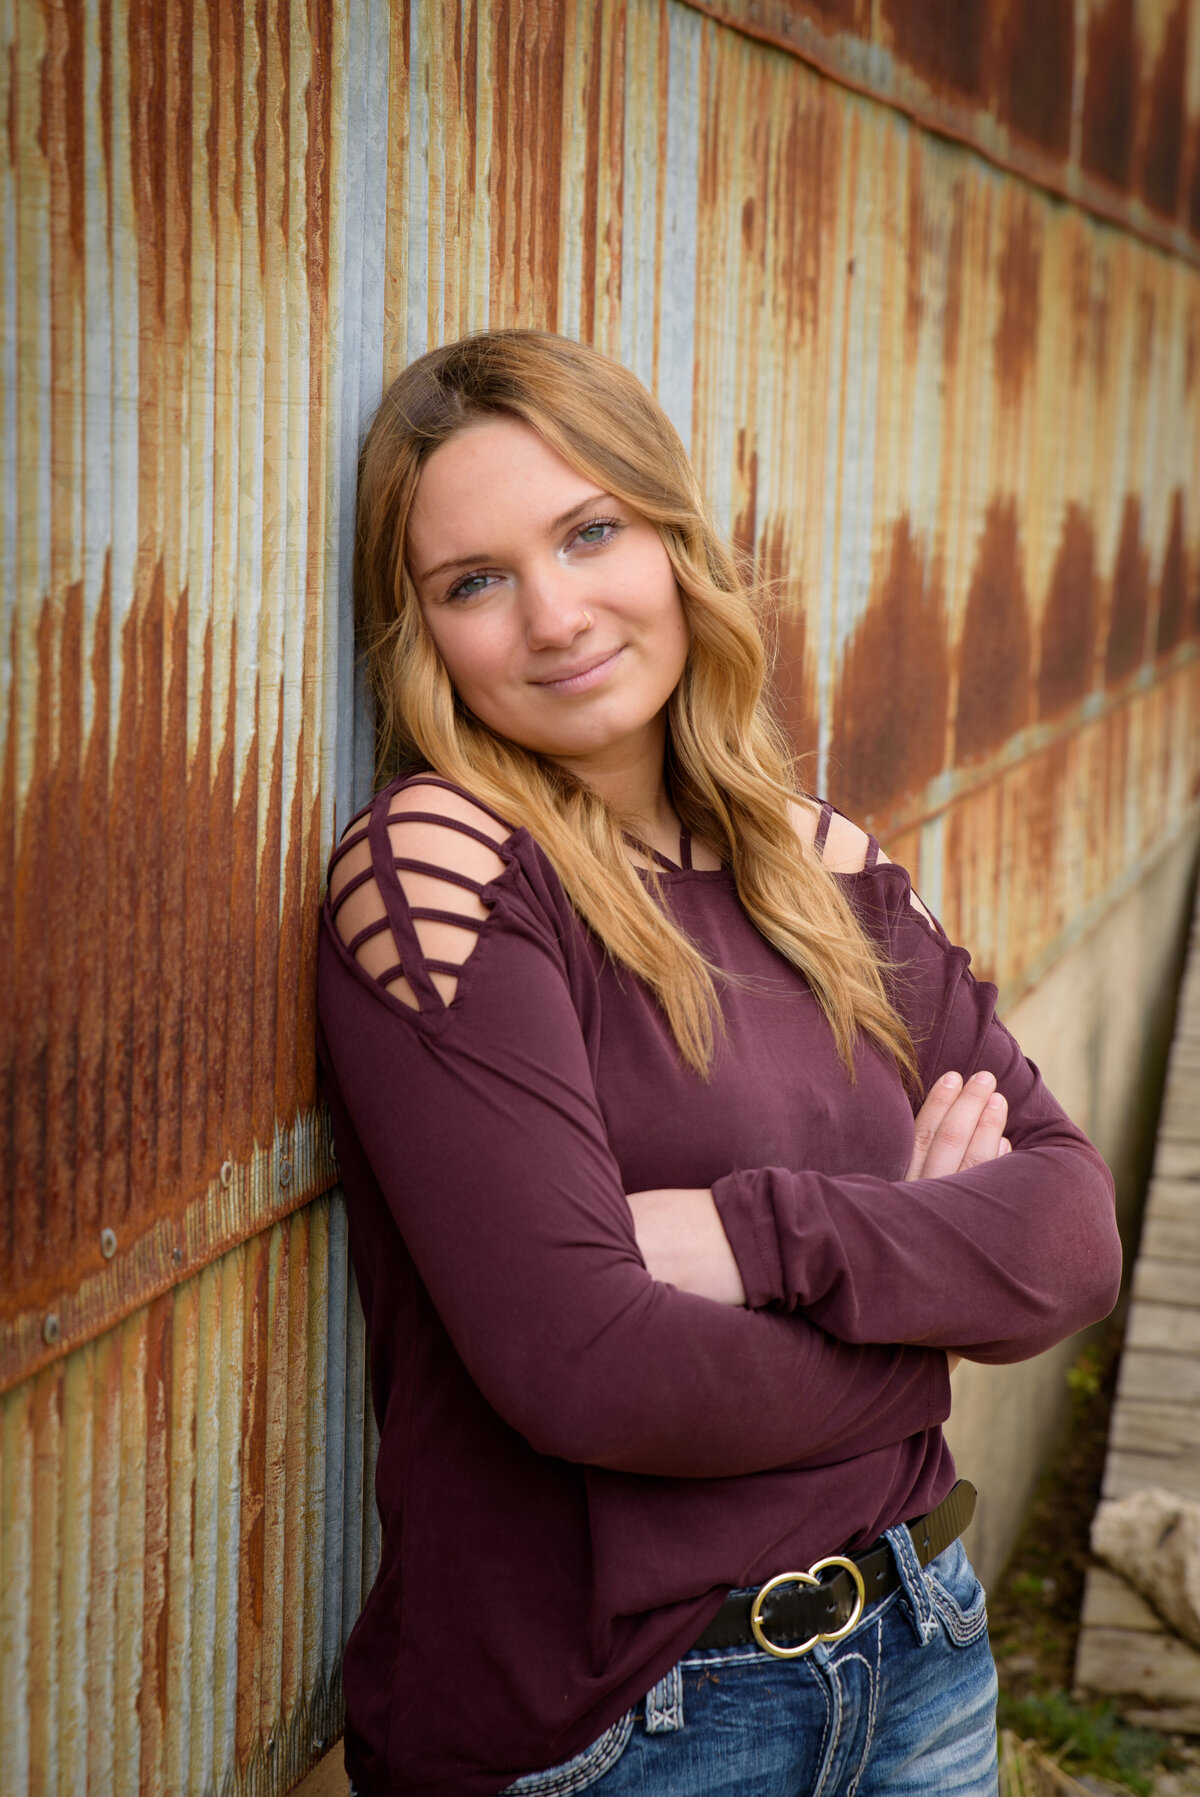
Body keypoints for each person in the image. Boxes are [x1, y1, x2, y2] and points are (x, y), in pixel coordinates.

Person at [316, 329, 1121, 1797]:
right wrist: (923, 1313)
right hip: (633, 1722)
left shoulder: (824, 867)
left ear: (673, 537)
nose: (554, 614)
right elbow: (588, 1367)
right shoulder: (442, 865)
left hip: (920, 1653)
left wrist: (759, 1233)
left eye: (589, 531)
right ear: (422, 632)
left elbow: (1067, 1235)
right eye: (474, 581)